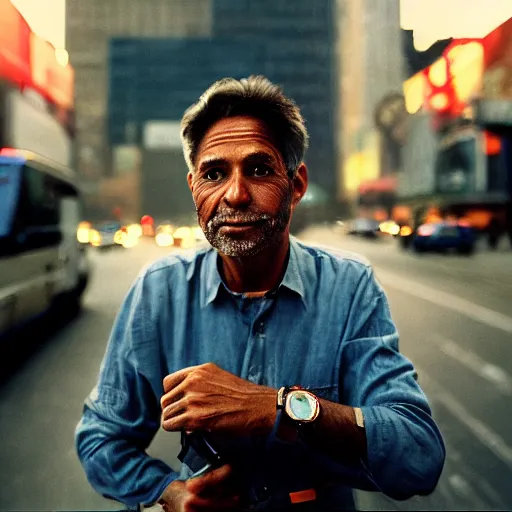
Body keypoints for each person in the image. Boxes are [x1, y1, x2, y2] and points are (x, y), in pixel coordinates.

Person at [75, 75, 445, 511]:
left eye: (259, 169)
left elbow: (419, 453)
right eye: (214, 173)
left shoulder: (349, 288)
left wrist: (278, 408)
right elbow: (101, 438)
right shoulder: (159, 291)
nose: (235, 194)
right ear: (194, 186)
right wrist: (170, 493)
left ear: (297, 184)